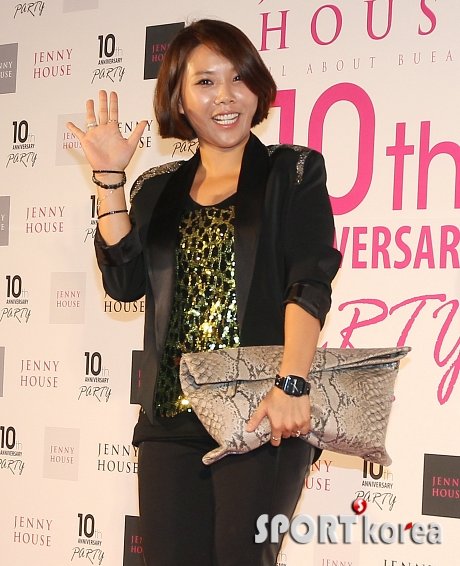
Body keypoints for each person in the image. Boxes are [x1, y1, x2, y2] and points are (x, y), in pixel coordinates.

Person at [67, 19, 341, 566]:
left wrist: (292, 381)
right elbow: (123, 282)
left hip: (263, 413)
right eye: (206, 82)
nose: (226, 96)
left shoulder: (293, 171)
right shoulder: (156, 188)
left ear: (258, 87)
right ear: (179, 98)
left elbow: (308, 281)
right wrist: (111, 180)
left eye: (239, 78)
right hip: (169, 421)